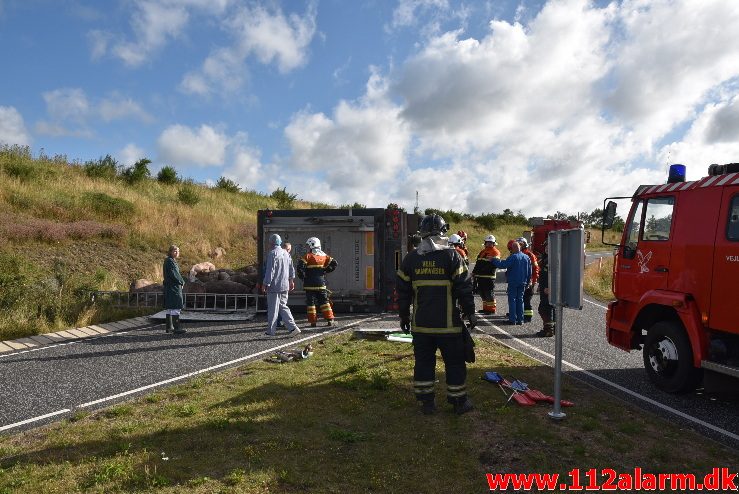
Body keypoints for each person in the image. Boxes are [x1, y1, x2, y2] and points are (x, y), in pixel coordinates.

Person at [397, 214, 476, 415]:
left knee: (423, 363)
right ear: (444, 233)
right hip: (448, 326)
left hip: (421, 326)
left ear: (421, 234)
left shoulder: (411, 259)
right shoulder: (452, 256)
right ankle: (459, 402)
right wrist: (470, 312)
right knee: (455, 363)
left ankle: (427, 403)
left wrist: (404, 316)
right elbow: (464, 287)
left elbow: (403, 292)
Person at [262, 234, 301, 336]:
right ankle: (293, 328)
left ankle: (271, 332)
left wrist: (266, 283)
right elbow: (291, 268)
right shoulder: (286, 253)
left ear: (271, 242)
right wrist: (291, 281)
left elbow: (270, 270)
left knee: (273, 309)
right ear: (279, 242)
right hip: (285, 285)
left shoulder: (272, 253)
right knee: (283, 307)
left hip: (274, 286)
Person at [297, 237, 338, 327]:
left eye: (308, 245)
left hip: (309, 284)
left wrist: (303, 277)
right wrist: (325, 270)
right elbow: (334, 263)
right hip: (321, 284)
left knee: (311, 303)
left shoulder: (307, 256)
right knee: (324, 302)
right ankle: (330, 320)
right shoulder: (324, 256)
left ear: (312, 245)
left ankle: (313, 322)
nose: (307, 247)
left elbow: (300, 268)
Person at [492, 240, 531, 325]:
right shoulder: (526, 257)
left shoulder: (513, 257)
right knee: (520, 300)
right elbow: (529, 271)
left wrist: (493, 260)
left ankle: (512, 319)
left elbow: (503, 265)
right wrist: (528, 282)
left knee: (512, 300)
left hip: (513, 281)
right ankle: (520, 320)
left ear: (513, 248)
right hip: (523, 282)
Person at [472, 234, 501, 314]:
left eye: (490, 242)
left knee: (489, 293)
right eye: (487, 242)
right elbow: (478, 263)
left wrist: (482, 270)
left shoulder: (495, 252)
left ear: (494, 243)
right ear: (485, 243)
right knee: (482, 292)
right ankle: (486, 308)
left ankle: (491, 309)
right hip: (480, 276)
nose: (489, 244)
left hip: (489, 277)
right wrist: (474, 272)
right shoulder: (483, 251)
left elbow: (493, 264)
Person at [163, 245, 187, 334]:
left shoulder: (169, 260)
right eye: (175, 251)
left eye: (178, 251)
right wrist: (182, 281)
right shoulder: (170, 261)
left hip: (169, 286)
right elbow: (174, 274)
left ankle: (169, 327)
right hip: (174, 286)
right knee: (176, 306)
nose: (177, 253)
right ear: (170, 252)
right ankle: (176, 328)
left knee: (170, 307)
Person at [516, 237, 540, 323]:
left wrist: (533, 281)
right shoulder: (515, 254)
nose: (519, 246)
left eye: (521, 244)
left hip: (528, 282)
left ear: (525, 245)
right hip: (518, 281)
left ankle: (528, 316)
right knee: (518, 298)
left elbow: (535, 268)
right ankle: (518, 313)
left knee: (526, 299)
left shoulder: (530, 255)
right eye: (518, 244)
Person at [536, 241, 555, 337]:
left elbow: (554, 276)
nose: (547, 249)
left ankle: (549, 330)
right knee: (548, 308)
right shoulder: (545, 258)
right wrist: (540, 285)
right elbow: (543, 275)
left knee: (544, 308)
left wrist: (550, 287)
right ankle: (552, 329)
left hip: (549, 288)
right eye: (546, 247)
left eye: (549, 247)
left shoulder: (553, 260)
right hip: (544, 287)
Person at [275, 242, 292, 328]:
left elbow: (291, 270)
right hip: (278, 285)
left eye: (289, 250)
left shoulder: (286, 257)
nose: (288, 251)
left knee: (280, 305)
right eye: (288, 249)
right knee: (280, 305)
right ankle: (279, 322)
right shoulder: (280, 256)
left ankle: (279, 321)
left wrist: (291, 281)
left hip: (283, 285)